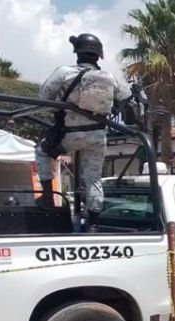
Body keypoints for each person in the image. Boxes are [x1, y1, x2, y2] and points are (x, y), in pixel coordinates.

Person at [35, 33, 131, 232]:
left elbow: (43, 98)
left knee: (42, 151)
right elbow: (126, 96)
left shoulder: (63, 72)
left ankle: (47, 197)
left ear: (77, 53)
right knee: (94, 178)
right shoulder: (109, 77)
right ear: (98, 56)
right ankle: (93, 224)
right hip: (97, 138)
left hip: (68, 136)